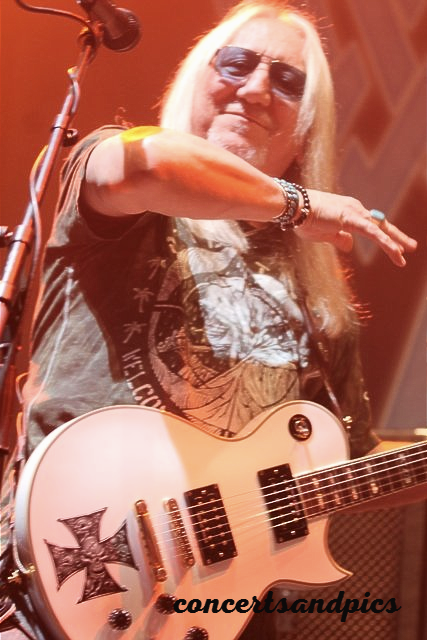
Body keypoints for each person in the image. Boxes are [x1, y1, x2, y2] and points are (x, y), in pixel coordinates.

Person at [0, 1, 423, 638]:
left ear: (307, 128)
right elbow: (148, 166)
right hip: (55, 577)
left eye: (287, 81)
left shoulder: (321, 296)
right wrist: (300, 205)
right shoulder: (120, 168)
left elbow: (353, 462)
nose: (255, 89)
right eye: (236, 62)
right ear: (197, 76)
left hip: (214, 610)